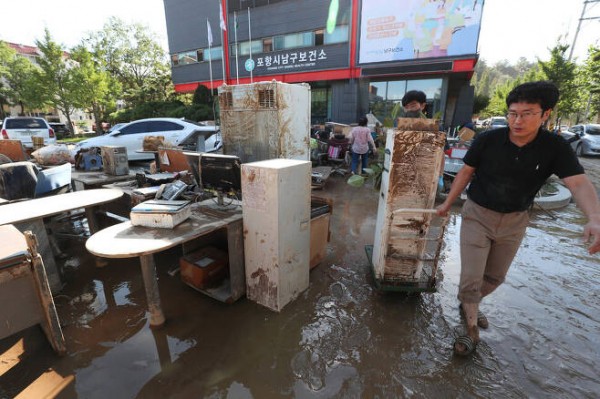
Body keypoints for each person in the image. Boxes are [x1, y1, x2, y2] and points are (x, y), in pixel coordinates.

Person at [436, 81, 600, 356]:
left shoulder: (554, 147)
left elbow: (579, 184)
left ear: (545, 114)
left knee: (495, 278)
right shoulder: (488, 139)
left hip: (516, 219)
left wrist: (594, 217)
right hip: (477, 214)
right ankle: (471, 330)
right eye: (513, 113)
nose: (517, 120)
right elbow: (465, 173)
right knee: (471, 278)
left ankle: (468, 303)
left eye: (527, 113)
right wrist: (447, 204)